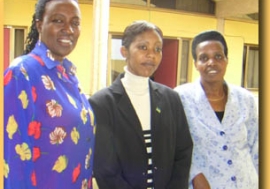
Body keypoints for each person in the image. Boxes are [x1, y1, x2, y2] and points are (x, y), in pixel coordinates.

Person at [89, 20, 193, 189]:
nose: (151, 54)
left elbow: (183, 152)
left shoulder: (171, 98)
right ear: (124, 51)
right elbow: (105, 168)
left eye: (158, 49)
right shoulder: (102, 103)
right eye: (143, 47)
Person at [3, 0, 95, 188]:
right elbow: (13, 157)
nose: (68, 29)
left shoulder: (67, 73)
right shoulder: (22, 73)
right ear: (39, 24)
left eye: (75, 23)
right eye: (58, 20)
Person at [174, 30, 258, 189]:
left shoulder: (245, 99)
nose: (211, 62)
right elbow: (174, 147)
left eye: (218, 56)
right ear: (195, 64)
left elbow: (256, 146)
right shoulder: (181, 98)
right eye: (203, 58)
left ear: (226, 60)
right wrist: (195, 175)